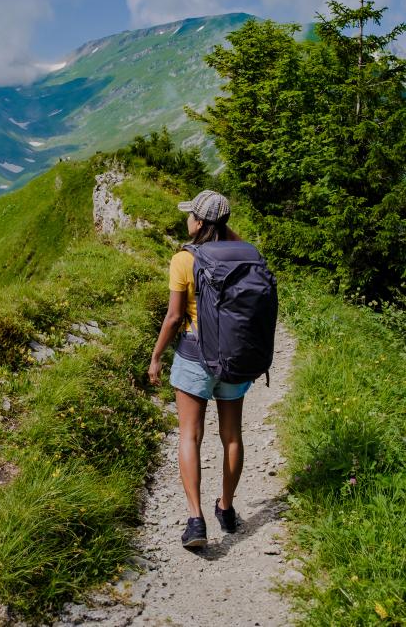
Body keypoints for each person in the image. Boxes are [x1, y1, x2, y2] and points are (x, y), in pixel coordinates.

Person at [148, 189, 249, 548]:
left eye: (190, 214)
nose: (186, 219)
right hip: (235, 358)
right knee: (232, 436)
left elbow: (175, 317)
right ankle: (227, 508)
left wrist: (157, 355)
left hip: (194, 355)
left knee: (190, 435)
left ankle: (196, 520)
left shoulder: (184, 260)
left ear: (200, 222)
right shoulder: (245, 255)